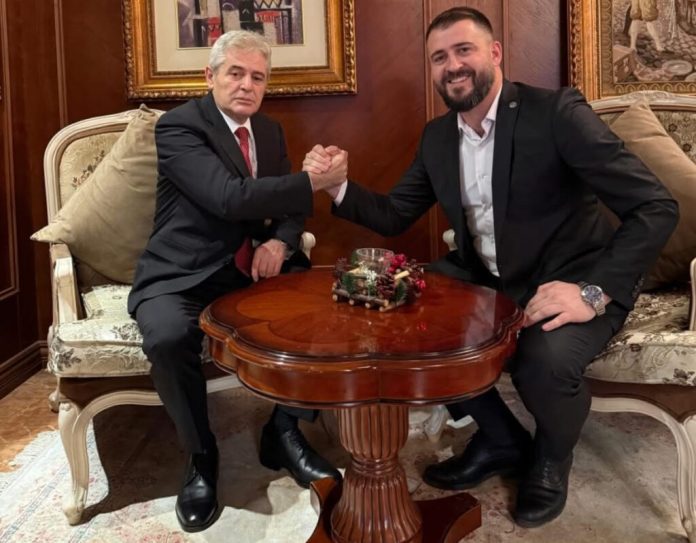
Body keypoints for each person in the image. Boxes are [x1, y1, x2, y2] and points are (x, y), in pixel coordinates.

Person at [303, 7, 678, 528]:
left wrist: (591, 293)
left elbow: (655, 206)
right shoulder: (438, 137)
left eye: (464, 50)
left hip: (574, 278)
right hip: (487, 276)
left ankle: (551, 457)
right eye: (439, 57)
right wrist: (336, 186)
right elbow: (393, 215)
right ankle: (502, 439)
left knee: (542, 362)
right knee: (411, 323)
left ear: (495, 53)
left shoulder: (557, 113)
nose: (452, 65)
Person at [127, 30, 347, 533]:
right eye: (236, 73)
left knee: (323, 307)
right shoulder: (180, 126)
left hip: (251, 271)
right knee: (167, 336)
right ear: (210, 76)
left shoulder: (268, 132)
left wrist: (281, 244)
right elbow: (228, 197)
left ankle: (284, 432)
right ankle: (201, 456)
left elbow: (290, 210)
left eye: (258, 77)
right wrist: (314, 181)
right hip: (184, 272)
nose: (247, 85)